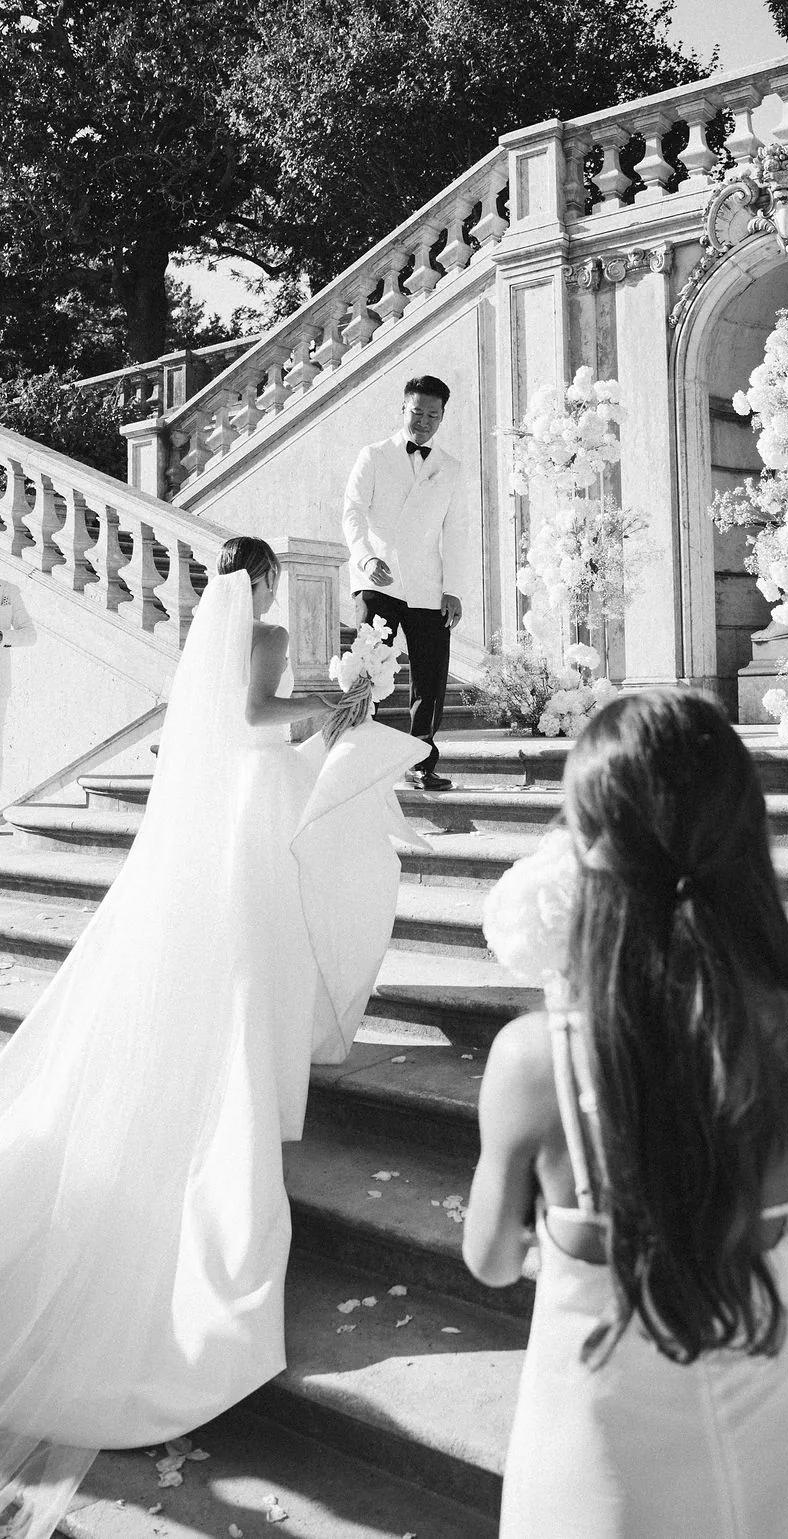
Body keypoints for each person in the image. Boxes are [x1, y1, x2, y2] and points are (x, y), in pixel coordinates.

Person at [0, 535, 424, 1539]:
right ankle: (258, 1078)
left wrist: (326, 704)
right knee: (257, 950)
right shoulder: (268, 630)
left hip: (218, 811)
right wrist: (334, 705)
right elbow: (256, 719)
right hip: (253, 803)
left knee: (234, 953)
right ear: (267, 580)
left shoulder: (211, 630)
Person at [465, 689, 788, 1538]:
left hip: (595, 1462)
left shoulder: (536, 1060)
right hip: (776, 1435)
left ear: (587, 848)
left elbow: (494, 1259)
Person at [342, 374, 467, 791]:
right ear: (403, 409)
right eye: (417, 412)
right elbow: (353, 512)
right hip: (379, 580)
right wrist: (366, 556)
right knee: (365, 670)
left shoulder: (451, 467)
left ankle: (421, 763)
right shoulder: (375, 455)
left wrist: (454, 588)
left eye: (433, 414)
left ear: (442, 416)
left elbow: (457, 531)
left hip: (428, 587)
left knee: (429, 680)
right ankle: (357, 758)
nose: (424, 421)